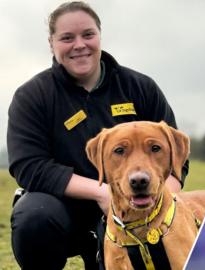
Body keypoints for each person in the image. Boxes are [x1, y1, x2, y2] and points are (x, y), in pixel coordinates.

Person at [7, 2, 188, 269]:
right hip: (64, 208)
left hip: (137, 208)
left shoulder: (141, 87)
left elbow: (176, 161)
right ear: (51, 43)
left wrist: (162, 201)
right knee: (33, 218)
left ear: (99, 36)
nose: (79, 45)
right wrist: (102, 192)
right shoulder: (32, 96)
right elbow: (29, 167)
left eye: (88, 35)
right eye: (67, 38)